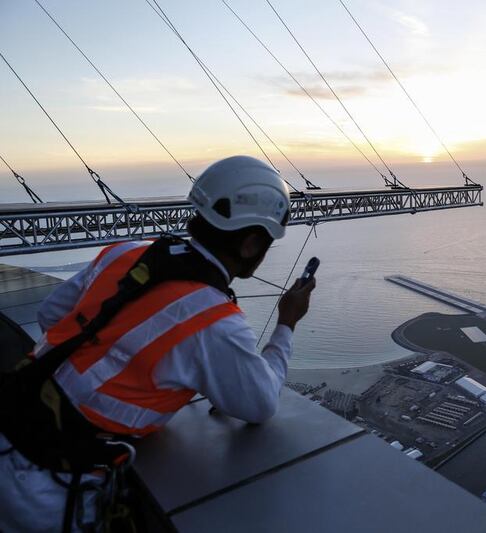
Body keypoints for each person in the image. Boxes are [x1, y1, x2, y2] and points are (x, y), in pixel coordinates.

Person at [0, 156, 315, 532]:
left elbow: (52, 316)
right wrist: (287, 323)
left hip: (11, 416)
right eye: (266, 244)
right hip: (47, 484)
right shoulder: (214, 321)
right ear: (249, 244)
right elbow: (260, 403)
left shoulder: (125, 253)